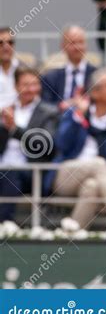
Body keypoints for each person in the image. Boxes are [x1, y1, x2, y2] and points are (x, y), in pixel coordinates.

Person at [48, 68, 106, 229]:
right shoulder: (76, 114)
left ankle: (72, 232)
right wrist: (78, 115)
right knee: (98, 164)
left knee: (91, 187)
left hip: (100, 177)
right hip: (66, 175)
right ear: (95, 93)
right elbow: (62, 144)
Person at [0, 66, 59, 222]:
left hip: (31, 170)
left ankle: (5, 225)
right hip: (4, 165)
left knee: (10, 174)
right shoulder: (7, 111)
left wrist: (14, 128)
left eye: (34, 85)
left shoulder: (49, 112)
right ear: (16, 86)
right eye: (26, 85)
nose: (31, 89)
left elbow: (45, 144)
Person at [41, 26, 97, 108]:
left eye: (81, 42)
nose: (77, 47)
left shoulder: (97, 75)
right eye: (72, 43)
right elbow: (45, 105)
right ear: (63, 46)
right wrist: (61, 106)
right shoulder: (50, 78)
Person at [0, 28, 19, 111]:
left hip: (21, 118)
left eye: (10, 42)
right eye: (1, 43)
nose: (6, 47)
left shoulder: (25, 69)